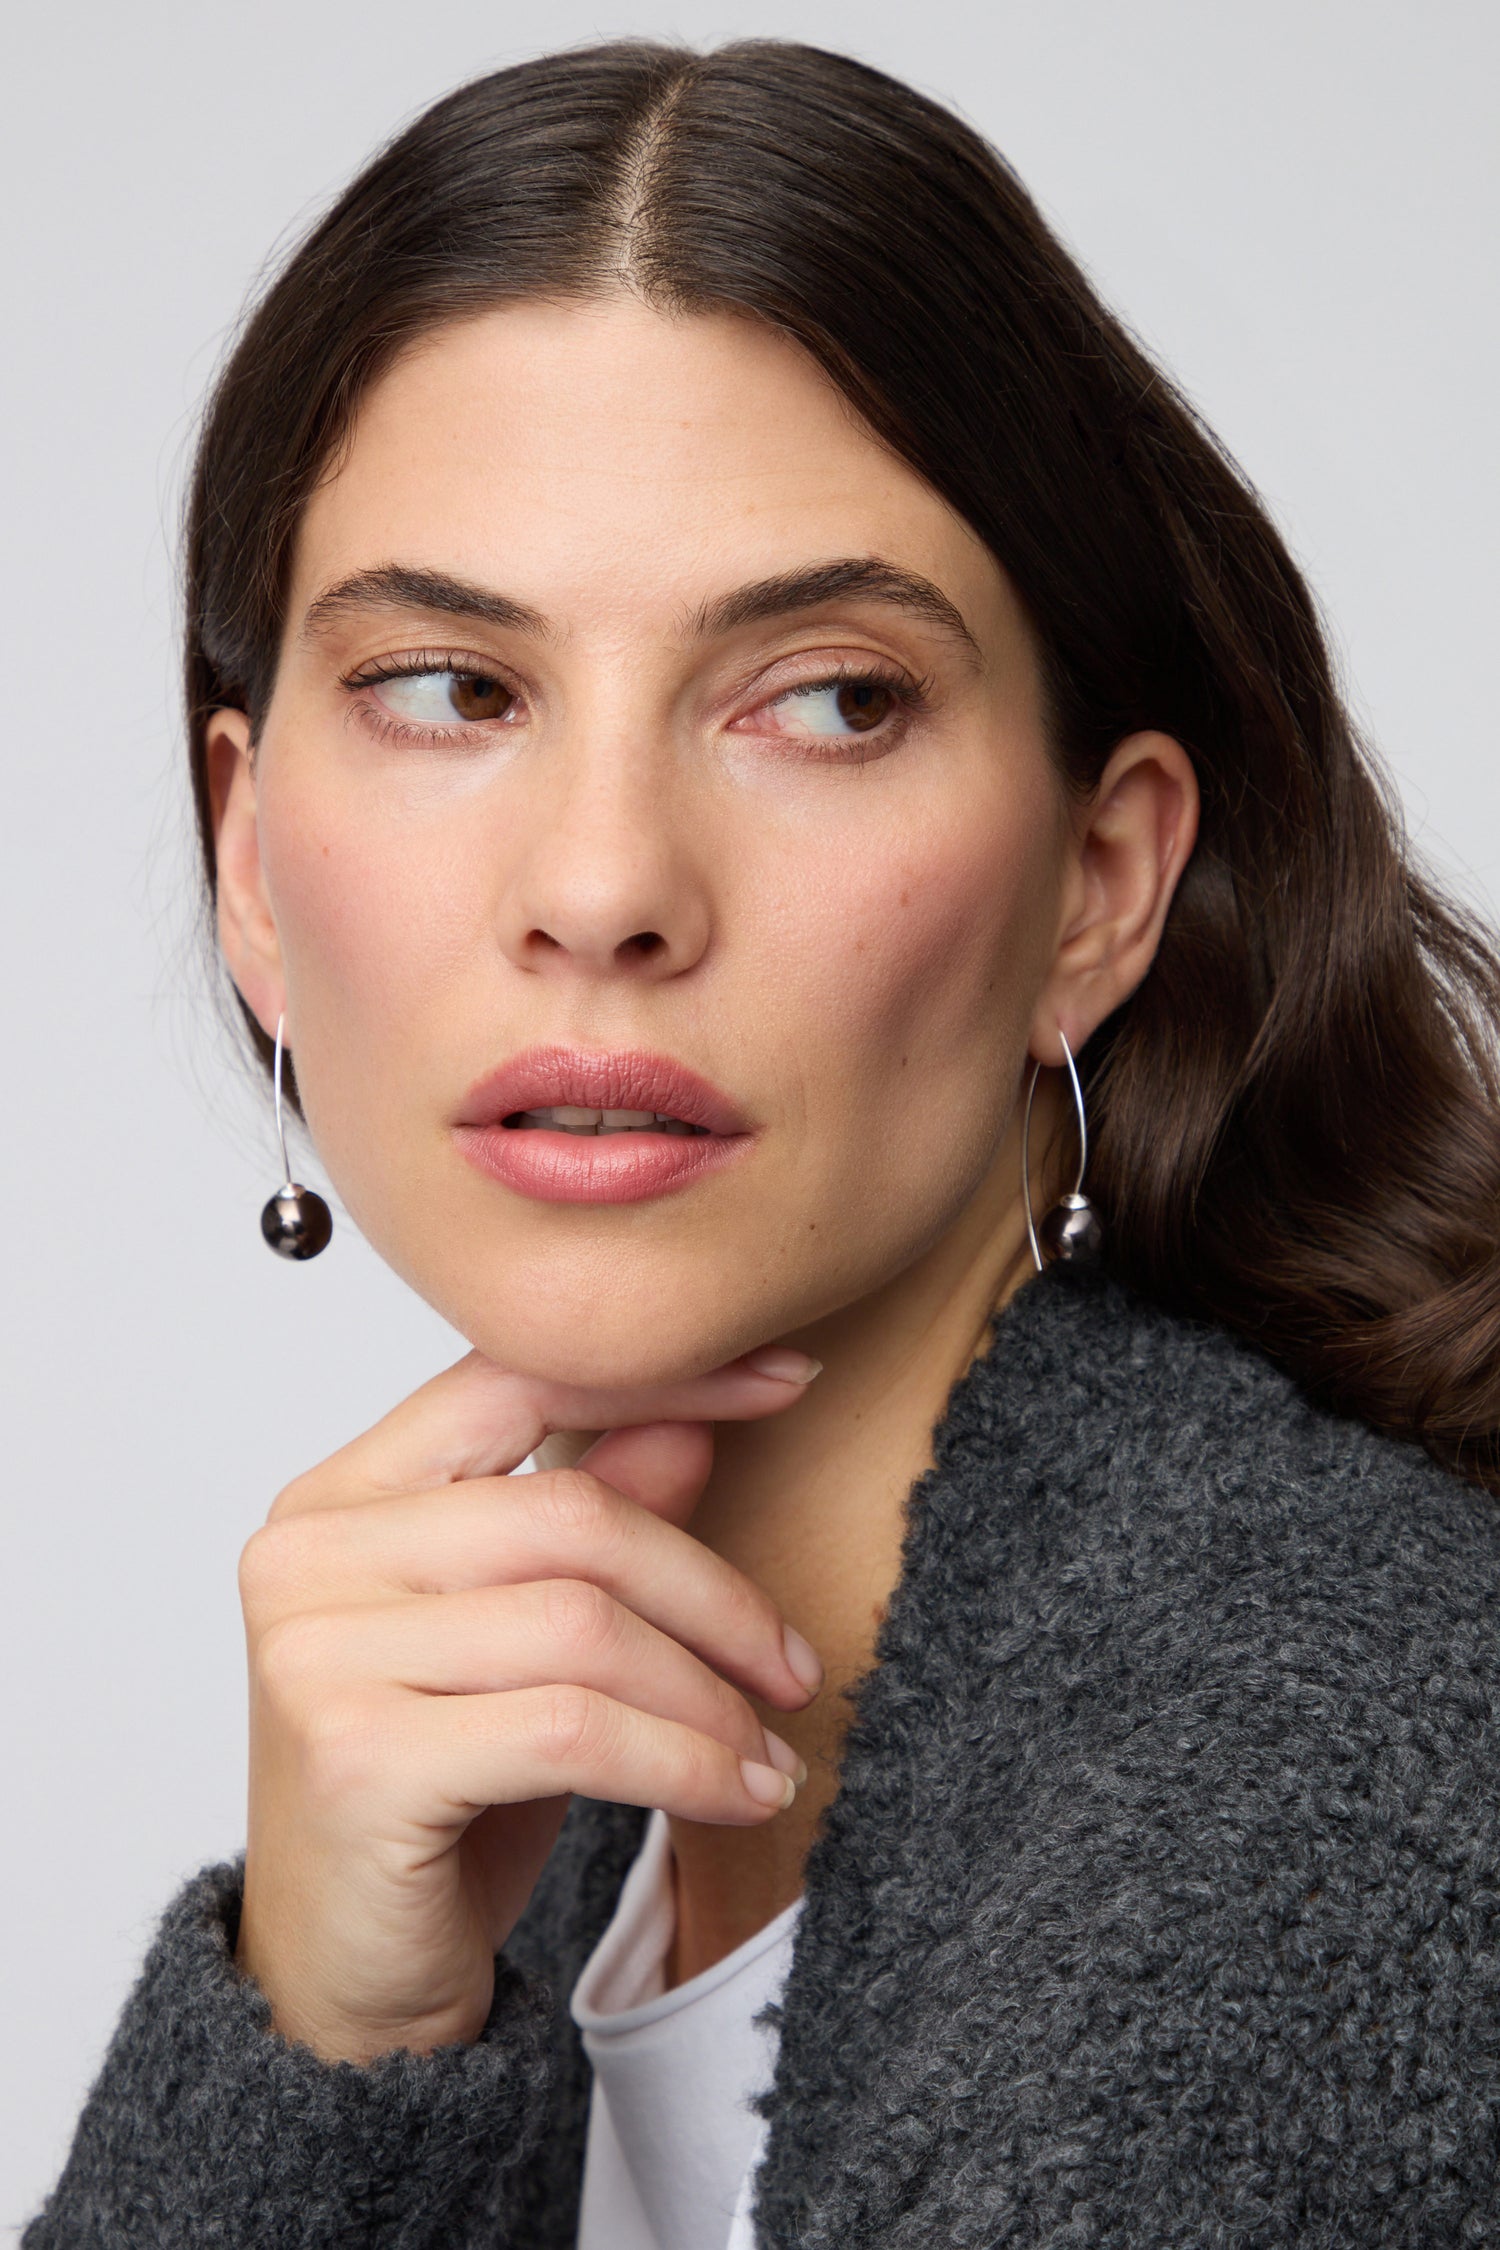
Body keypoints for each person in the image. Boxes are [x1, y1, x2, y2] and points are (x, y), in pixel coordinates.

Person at [24, 34, 1500, 2249]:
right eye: (450, 686)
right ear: (252, 863)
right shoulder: (551, 1830)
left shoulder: (1336, 1808)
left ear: (1096, 884)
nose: (606, 884)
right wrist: (328, 2044)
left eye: (824, 697)